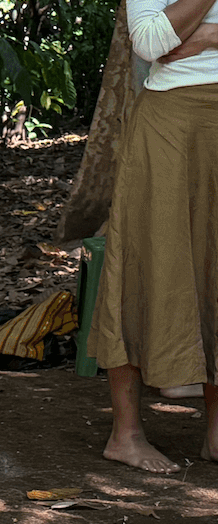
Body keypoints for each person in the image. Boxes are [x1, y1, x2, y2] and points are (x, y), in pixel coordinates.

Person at [91, 0, 218, 473]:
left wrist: (206, 38)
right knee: (146, 262)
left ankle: (217, 433)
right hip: (170, 123)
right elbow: (148, 44)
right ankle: (125, 435)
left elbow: (174, 40)